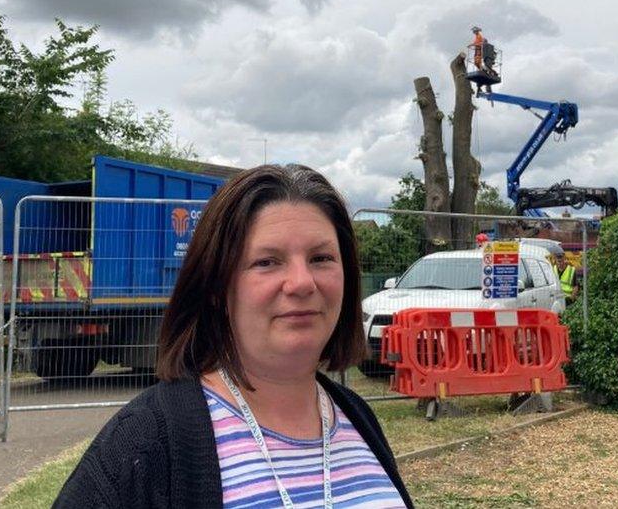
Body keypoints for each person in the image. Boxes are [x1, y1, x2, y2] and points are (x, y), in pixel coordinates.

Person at [55, 165, 412, 508]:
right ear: (216, 286)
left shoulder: (356, 417)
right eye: (267, 262)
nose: (303, 282)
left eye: (321, 258)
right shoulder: (146, 442)